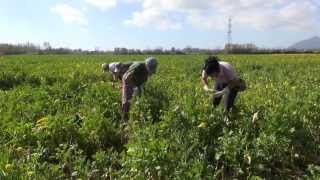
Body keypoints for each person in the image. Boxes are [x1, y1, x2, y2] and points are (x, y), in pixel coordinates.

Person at [121, 57, 158, 122]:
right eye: (150, 68)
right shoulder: (138, 66)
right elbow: (127, 78)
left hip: (137, 81)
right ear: (146, 65)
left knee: (141, 96)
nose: (151, 71)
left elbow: (146, 77)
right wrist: (133, 87)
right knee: (127, 100)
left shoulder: (150, 68)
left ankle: (136, 112)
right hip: (128, 80)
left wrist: (140, 87)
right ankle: (124, 119)